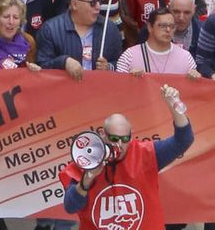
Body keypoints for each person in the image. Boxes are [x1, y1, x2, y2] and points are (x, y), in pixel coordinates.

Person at [61, 89, 193, 228]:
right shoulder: (87, 159)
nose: (119, 144)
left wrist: (174, 105)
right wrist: (87, 179)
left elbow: (184, 140)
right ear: (102, 134)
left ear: (131, 135)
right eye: (113, 138)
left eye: (125, 139)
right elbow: (71, 207)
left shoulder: (145, 154)